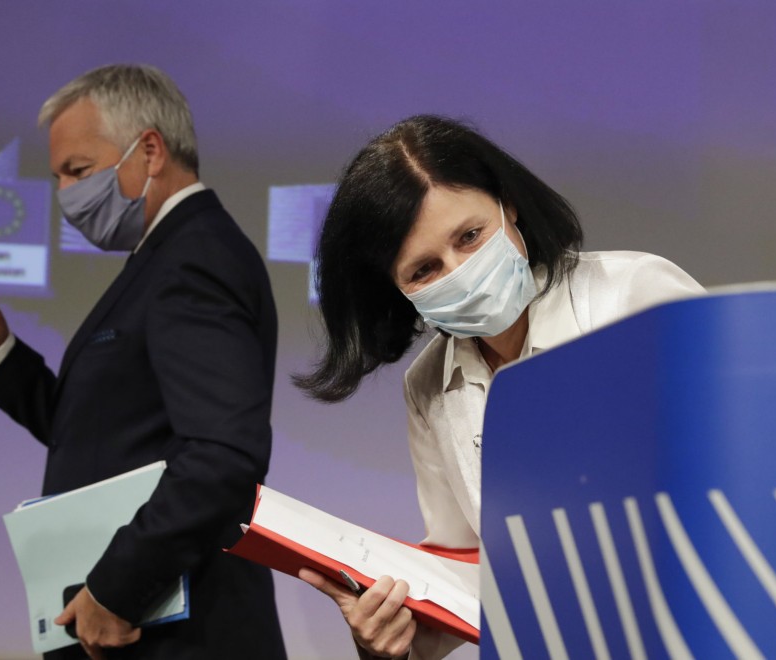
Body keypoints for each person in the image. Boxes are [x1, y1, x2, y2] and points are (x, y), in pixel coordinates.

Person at [294, 115, 705, 659]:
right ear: (396, 290)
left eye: (470, 237)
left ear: (508, 206)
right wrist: (396, 637)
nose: (459, 272)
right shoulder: (427, 388)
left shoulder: (634, 297)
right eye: (423, 270)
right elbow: (465, 575)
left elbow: (750, 477)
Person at [0, 64, 286, 659]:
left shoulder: (194, 259)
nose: (65, 194)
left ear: (149, 150)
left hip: (176, 633)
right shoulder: (168, 256)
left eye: (78, 171)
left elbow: (223, 455)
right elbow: (114, 436)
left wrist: (117, 589)